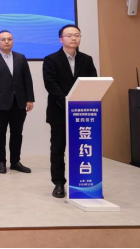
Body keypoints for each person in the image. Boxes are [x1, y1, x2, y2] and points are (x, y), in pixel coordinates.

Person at [43, 24, 97, 199]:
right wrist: (68, 102)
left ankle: (83, 181)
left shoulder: (87, 59)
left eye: (77, 35)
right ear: (61, 39)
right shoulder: (51, 59)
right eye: (69, 35)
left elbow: (92, 82)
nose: (74, 38)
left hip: (82, 112)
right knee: (58, 148)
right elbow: (51, 85)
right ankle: (59, 183)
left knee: (82, 147)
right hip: (59, 111)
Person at [0, 30, 35, 175]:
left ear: (13, 41)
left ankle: (15, 162)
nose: (7, 41)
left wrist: (30, 98)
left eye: (9, 39)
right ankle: (1, 162)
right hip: (0, 103)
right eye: (3, 39)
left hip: (19, 102)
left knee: (17, 133)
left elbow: (27, 80)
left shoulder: (20, 58)